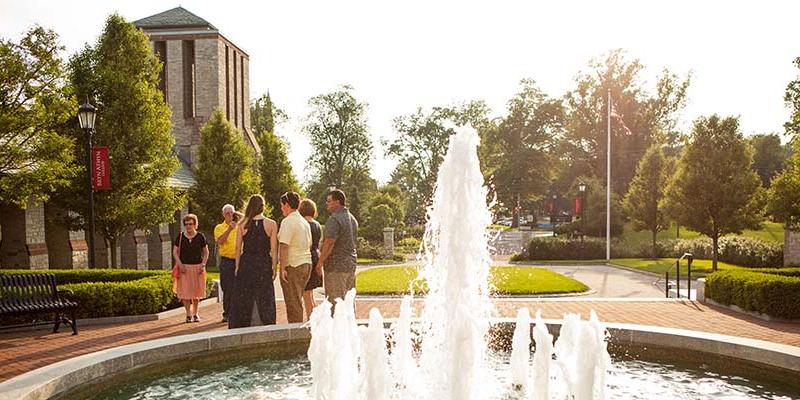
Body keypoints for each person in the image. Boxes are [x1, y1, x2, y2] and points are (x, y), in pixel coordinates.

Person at [229, 194, 278, 328]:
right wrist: (274, 267)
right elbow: (274, 249)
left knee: (245, 293)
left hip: (247, 262)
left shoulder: (242, 224)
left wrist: (237, 266)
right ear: (263, 207)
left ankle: (245, 323)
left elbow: (238, 248)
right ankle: (265, 321)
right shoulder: (271, 224)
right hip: (263, 262)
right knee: (264, 293)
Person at [316, 189, 358, 306]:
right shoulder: (352, 219)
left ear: (337, 202)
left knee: (335, 302)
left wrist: (320, 262)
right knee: (349, 302)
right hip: (350, 265)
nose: (326, 203)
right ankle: (350, 324)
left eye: (329, 201)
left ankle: (336, 324)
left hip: (336, 267)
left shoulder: (334, 219)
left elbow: (329, 242)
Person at [277, 191, 312, 323]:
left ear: (287, 204)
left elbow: (284, 246)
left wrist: (283, 267)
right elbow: (311, 243)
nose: (281, 208)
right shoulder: (304, 222)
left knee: (293, 303)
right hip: (306, 263)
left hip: (294, 265)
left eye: (282, 205)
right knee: (298, 299)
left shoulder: (288, 222)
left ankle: (295, 333)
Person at [172, 213, 209, 323]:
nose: (188, 226)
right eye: (186, 224)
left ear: (195, 224)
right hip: (184, 268)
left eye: (190, 224)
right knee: (185, 292)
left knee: (196, 293)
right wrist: (180, 264)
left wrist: (203, 265)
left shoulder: (200, 237)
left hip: (197, 268)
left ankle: (195, 313)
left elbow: (206, 252)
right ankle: (188, 314)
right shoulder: (180, 236)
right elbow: (175, 252)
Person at [214, 204, 238, 323]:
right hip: (227, 261)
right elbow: (220, 241)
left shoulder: (240, 226)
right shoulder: (219, 227)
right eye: (227, 213)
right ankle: (227, 313)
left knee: (239, 287)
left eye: (232, 213)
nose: (230, 215)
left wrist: (238, 216)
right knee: (227, 288)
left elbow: (249, 218)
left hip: (239, 260)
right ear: (223, 215)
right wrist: (229, 229)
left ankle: (238, 313)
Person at [299, 198, 322, 320]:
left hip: (307, 257)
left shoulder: (304, 224)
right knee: (310, 294)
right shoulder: (317, 224)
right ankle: (314, 319)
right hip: (315, 256)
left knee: (306, 293)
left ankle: (311, 321)